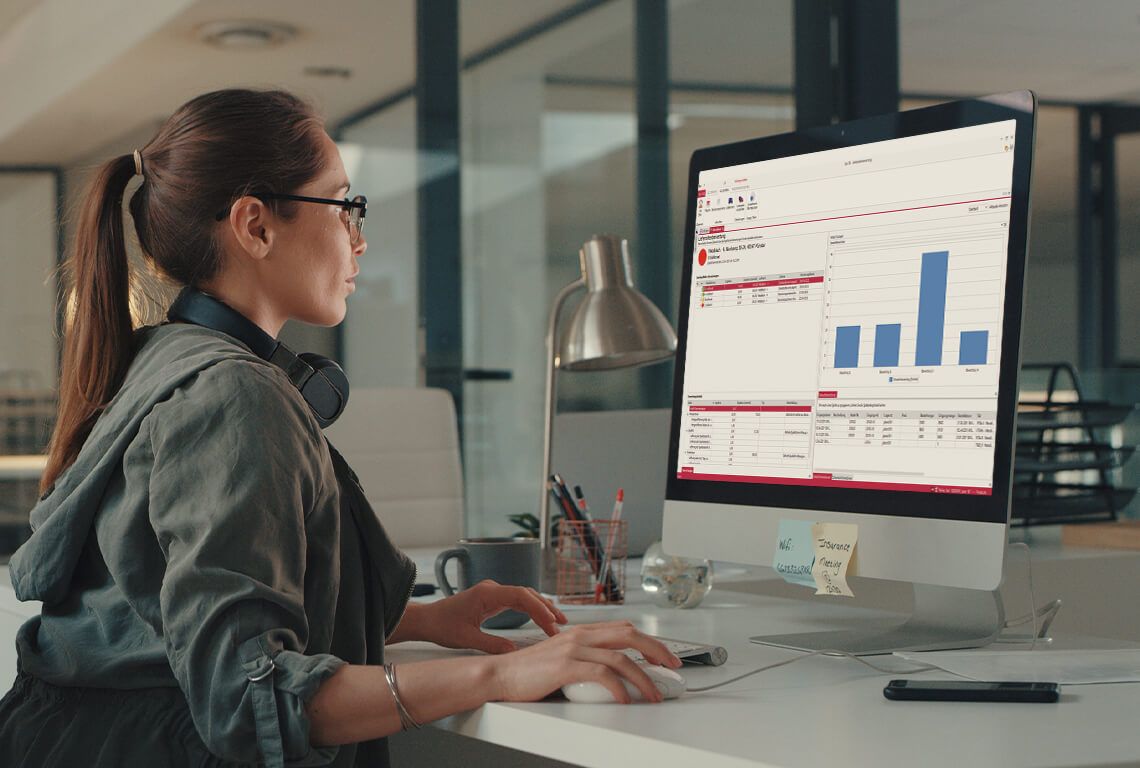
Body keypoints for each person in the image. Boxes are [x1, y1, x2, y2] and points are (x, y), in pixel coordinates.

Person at [0, 89, 681, 768]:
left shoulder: (167, 358)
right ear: (255, 226)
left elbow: (164, 612)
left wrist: (423, 620)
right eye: (345, 205)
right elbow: (246, 695)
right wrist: (500, 675)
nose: (360, 237)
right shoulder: (231, 395)